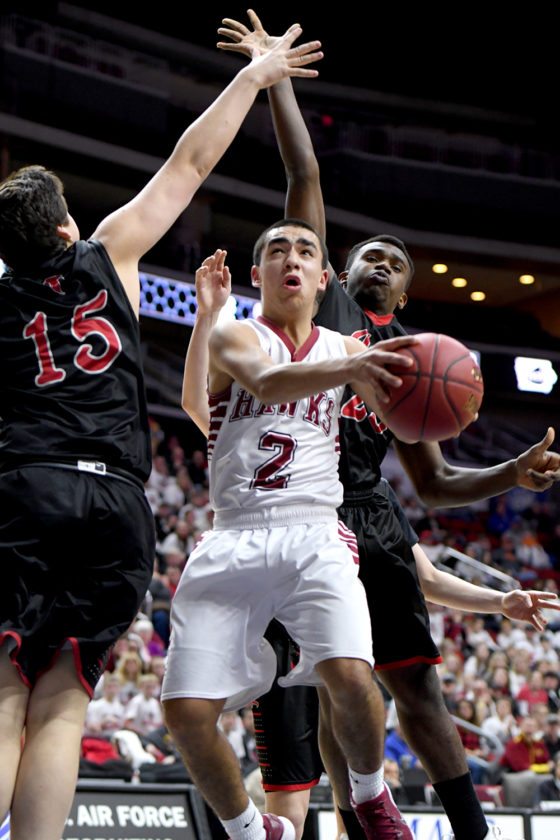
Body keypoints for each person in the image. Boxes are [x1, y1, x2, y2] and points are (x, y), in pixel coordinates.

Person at [190, 12, 560, 840]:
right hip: (303, 505)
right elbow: (304, 173)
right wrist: (277, 80)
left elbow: (436, 484)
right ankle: (347, 820)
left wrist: (511, 473)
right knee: (333, 683)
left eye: (396, 262)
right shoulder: (327, 310)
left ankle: (466, 829)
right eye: (368, 256)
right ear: (337, 271)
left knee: (414, 684)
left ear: (407, 290)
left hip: (375, 515)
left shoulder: (419, 360)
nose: (380, 263)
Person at [0, 25, 325, 840]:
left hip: (26, 487)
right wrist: (253, 78)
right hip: (116, 501)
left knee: (6, 689)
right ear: (66, 228)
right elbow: (189, 162)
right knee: (64, 702)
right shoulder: (107, 252)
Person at [163, 225, 420, 840]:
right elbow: (264, 384)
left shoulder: (342, 346)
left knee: (352, 674)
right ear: (259, 275)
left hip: (314, 532)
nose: (291, 260)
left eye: (306, 251)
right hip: (235, 533)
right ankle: (253, 830)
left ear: (324, 279)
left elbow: (411, 426)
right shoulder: (235, 334)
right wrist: (207, 317)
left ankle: (370, 796)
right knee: (184, 713)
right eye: (276, 251)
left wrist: (501, 462)